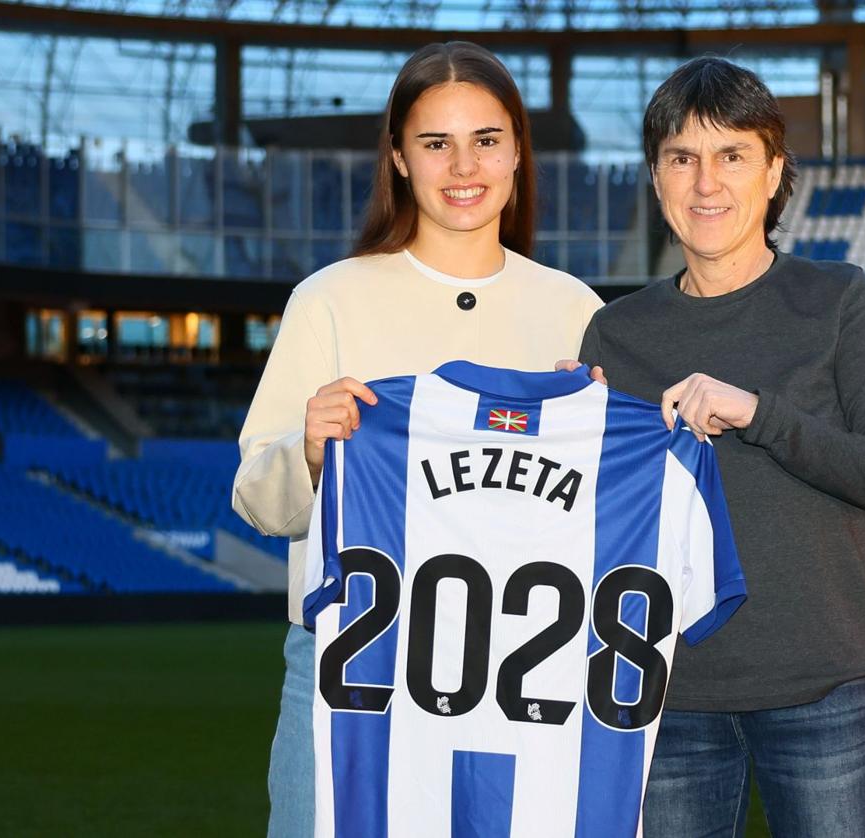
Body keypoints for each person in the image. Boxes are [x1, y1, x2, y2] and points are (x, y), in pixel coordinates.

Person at [231, 41, 603, 838]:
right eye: (435, 143)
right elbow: (257, 501)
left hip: (516, 680)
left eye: (486, 139)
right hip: (347, 668)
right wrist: (307, 451)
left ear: (516, 154)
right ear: (399, 157)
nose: (462, 165)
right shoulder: (330, 300)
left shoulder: (576, 310)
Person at [570, 57, 865, 837]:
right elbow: (595, 522)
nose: (706, 184)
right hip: (665, 696)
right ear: (657, 180)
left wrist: (761, 414)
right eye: (682, 158)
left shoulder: (838, 300)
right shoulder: (615, 333)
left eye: (732, 155)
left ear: (774, 173)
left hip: (826, 686)